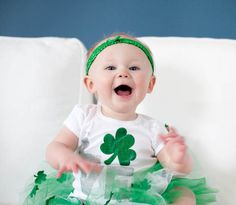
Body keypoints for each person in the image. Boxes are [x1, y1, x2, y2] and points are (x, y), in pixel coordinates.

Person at [24, 33, 217, 205]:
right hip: (87, 198)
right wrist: (65, 157)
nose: (123, 72)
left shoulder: (154, 127)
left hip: (137, 199)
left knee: (184, 194)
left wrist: (177, 157)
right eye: (110, 67)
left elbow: (176, 169)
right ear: (90, 84)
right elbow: (55, 147)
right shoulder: (84, 116)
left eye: (134, 67)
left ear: (150, 84)